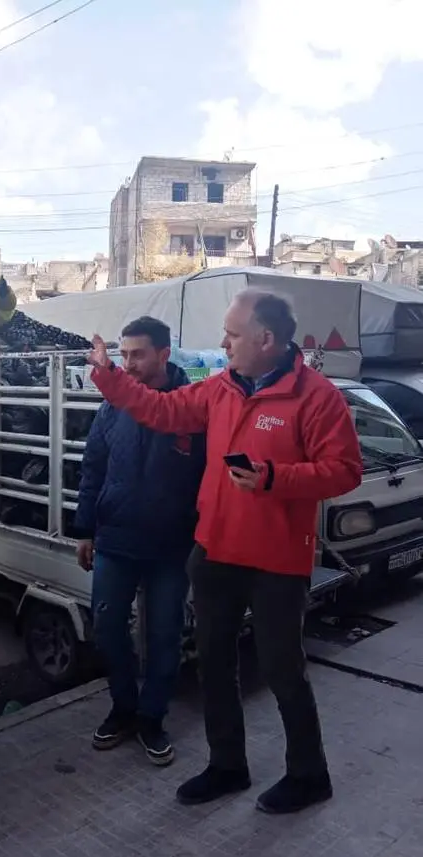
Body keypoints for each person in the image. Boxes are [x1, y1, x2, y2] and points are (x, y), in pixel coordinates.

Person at [87, 289, 362, 814]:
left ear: (266, 340)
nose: (223, 343)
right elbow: (161, 410)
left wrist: (274, 478)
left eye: (232, 336)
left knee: (283, 669)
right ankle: (227, 765)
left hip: (278, 560)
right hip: (215, 552)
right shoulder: (219, 390)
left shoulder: (317, 397)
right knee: (214, 664)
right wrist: (109, 376)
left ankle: (309, 775)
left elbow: (345, 470)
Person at [75, 317, 205, 766]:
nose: (127, 364)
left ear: (164, 355)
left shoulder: (193, 408)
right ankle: (123, 707)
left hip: (171, 546)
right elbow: (92, 467)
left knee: (166, 636)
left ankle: (152, 717)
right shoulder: (114, 406)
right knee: (108, 628)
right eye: (123, 355)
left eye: (137, 355)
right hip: (115, 540)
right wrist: (86, 529)